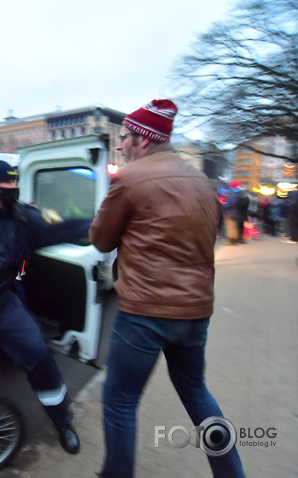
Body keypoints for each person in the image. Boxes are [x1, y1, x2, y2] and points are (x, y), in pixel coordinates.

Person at [89, 99, 246, 477]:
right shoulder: (204, 183)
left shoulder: (131, 179)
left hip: (145, 312)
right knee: (196, 392)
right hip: (195, 311)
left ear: (143, 140)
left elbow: (101, 240)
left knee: (121, 401)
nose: (121, 145)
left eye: (125, 137)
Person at [0, 159, 90, 455]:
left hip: (4, 299)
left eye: (15, 181)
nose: (15, 188)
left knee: (38, 355)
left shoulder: (24, 217)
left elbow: (62, 228)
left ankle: (62, 421)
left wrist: (96, 224)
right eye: (8, 184)